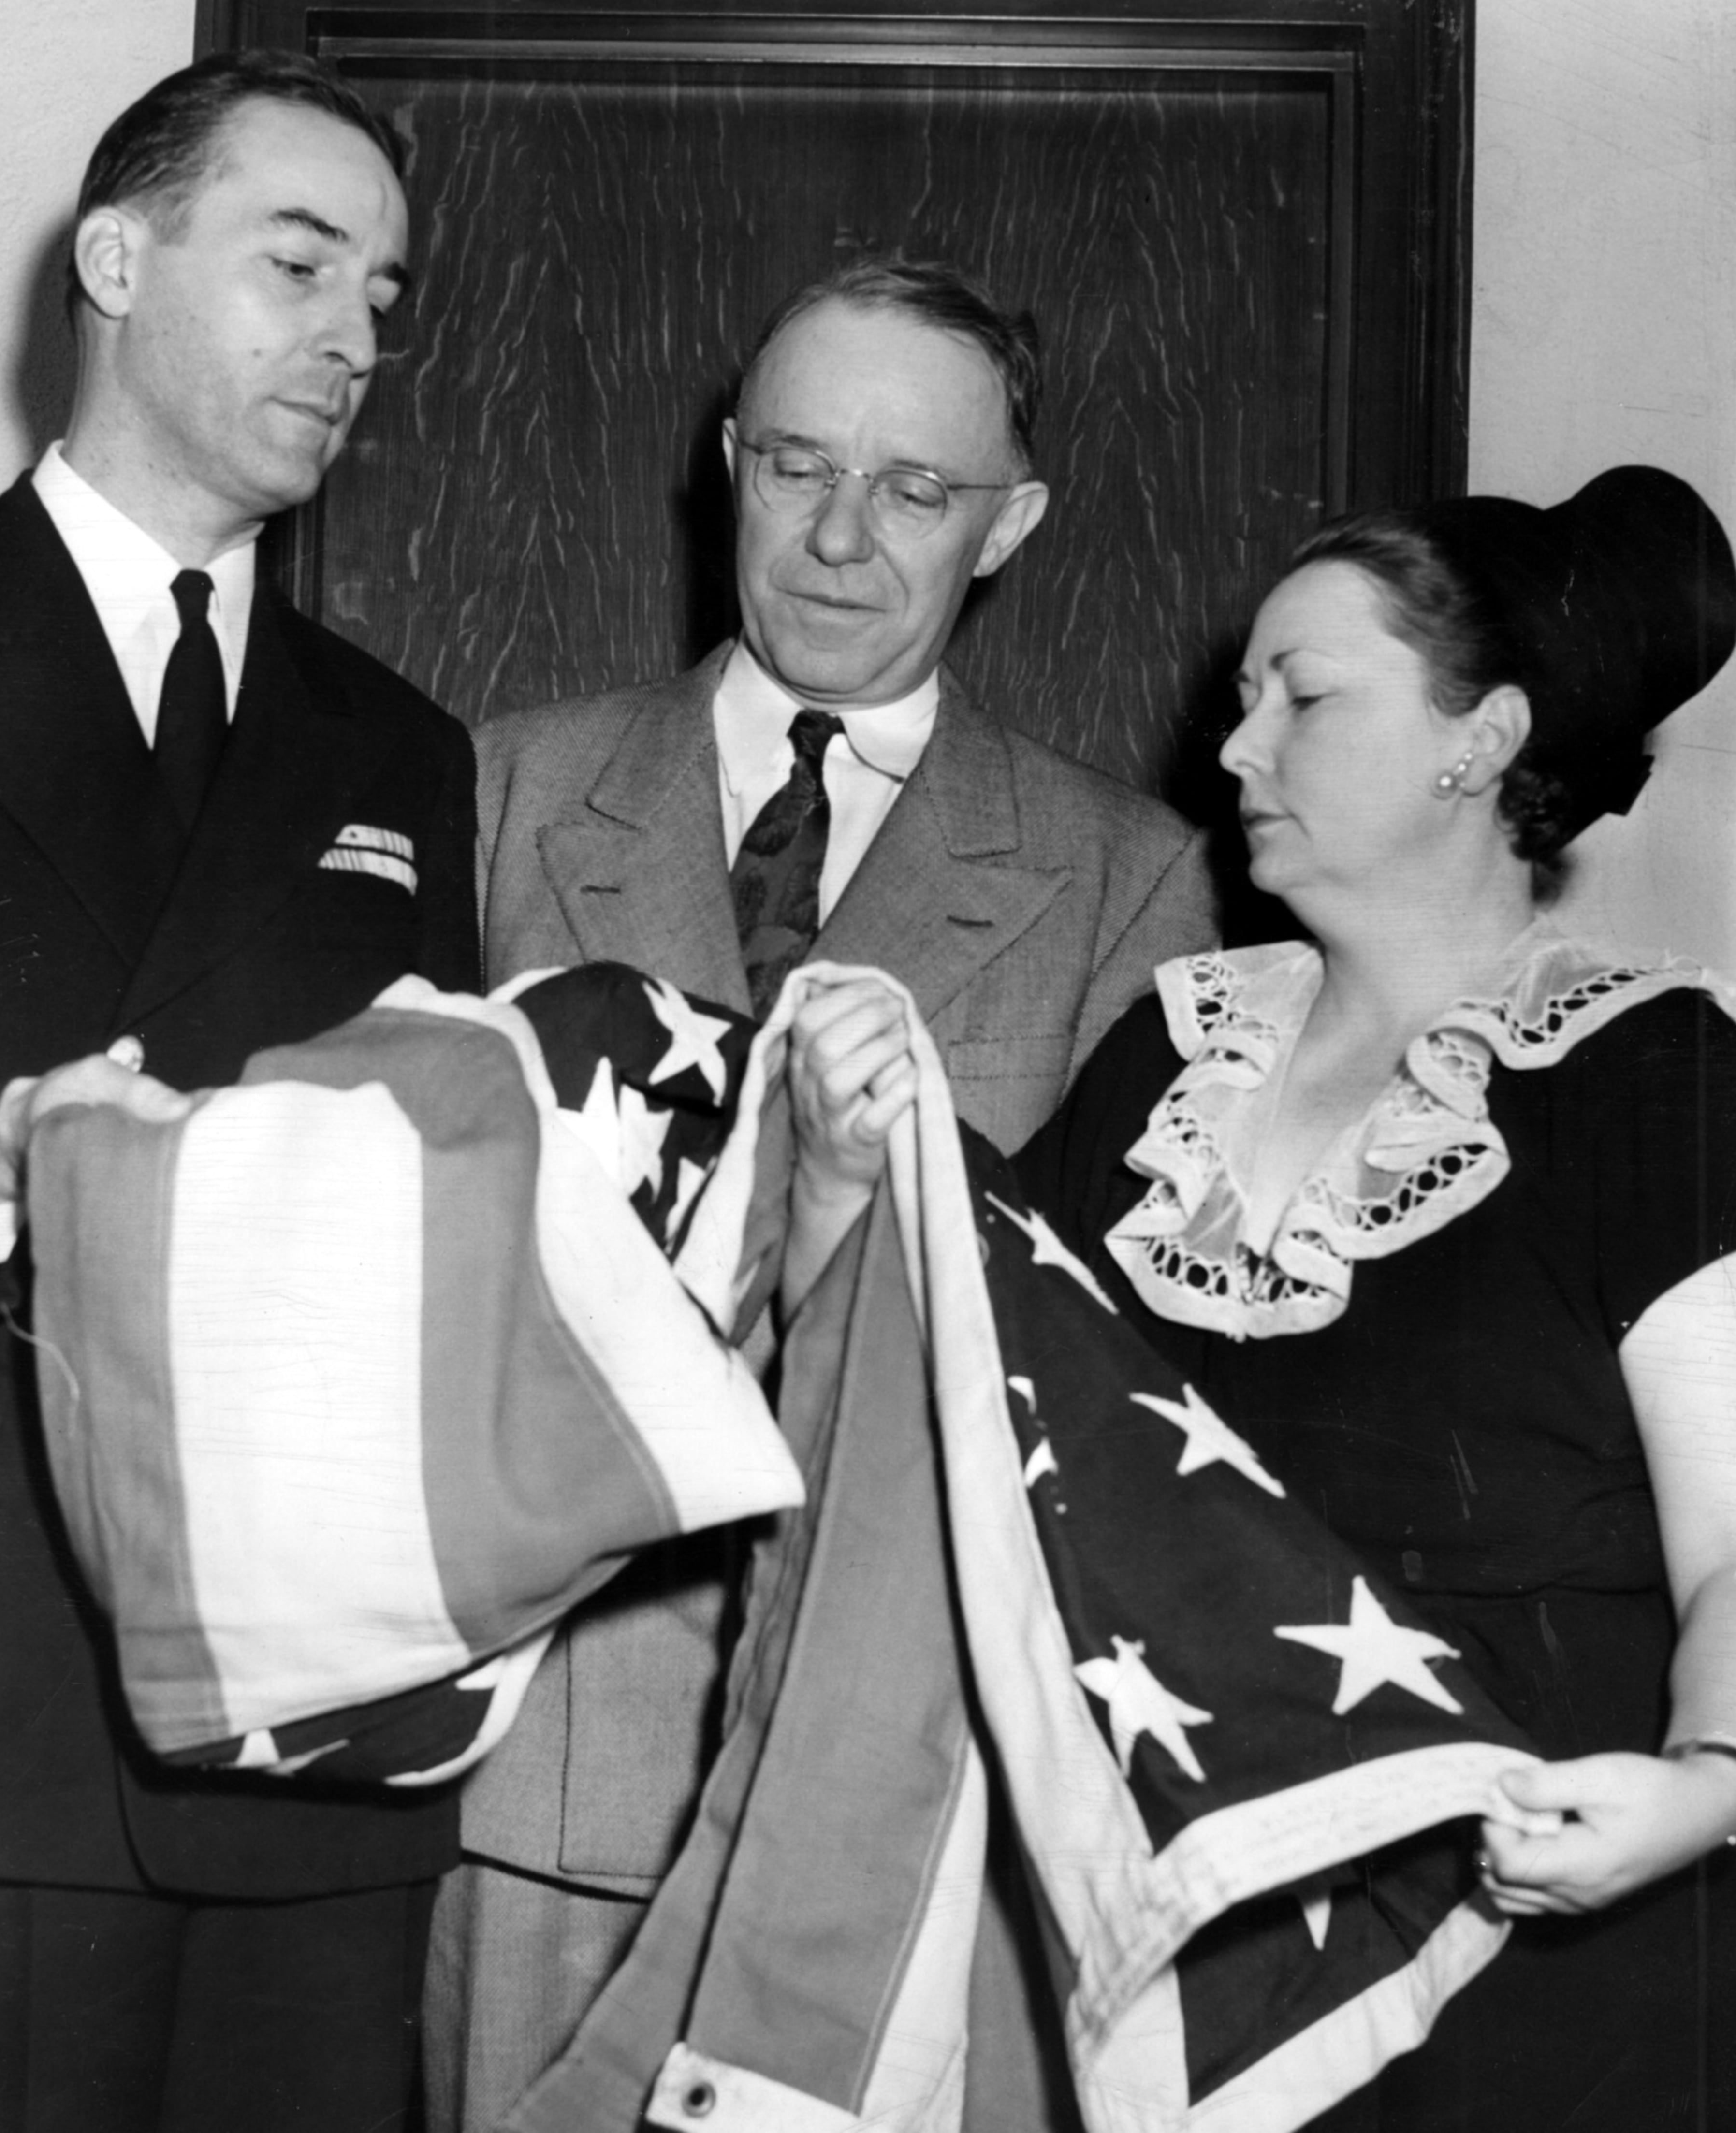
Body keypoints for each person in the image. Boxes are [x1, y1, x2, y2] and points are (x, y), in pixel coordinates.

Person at [429, 258, 1216, 2126]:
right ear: (726, 465)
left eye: (916, 491)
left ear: (1009, 525)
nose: (841, 539)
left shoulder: (1126, 881)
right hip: (539, 1769)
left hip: (888, 1812)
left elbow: (1097, 1409)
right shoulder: (496, 794)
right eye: (794, 466)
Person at [0, 51, 479, 2133]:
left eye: (386, 297)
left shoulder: (401, 752)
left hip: (311, 1744)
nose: (352, 339)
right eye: (298, 261)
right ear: (115, 261)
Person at [997, 464, 1736, 2129]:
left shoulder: (1653, 1079)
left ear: (1480, 742)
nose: (1234, 748)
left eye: (1304, 697)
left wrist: (1703, 1791)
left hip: (1534, 1957)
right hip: (1195, 1941)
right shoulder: (1171, 1051)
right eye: (1246, 696)